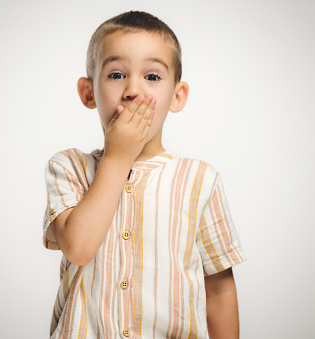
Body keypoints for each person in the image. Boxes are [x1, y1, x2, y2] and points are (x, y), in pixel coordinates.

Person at [42, 11, 246, 338]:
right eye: (116, 74)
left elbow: (219, 290)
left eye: (152, 77)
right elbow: (78, 248)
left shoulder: (200, 181)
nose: (133, 90)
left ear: (177, 96)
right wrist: (118, 157)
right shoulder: (69, 167)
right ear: (88, 92)